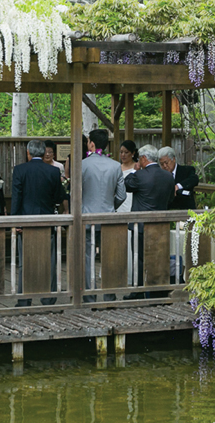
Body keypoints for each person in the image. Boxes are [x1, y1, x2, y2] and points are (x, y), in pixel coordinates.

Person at [11, 140, 65, 306]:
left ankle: (24, 298)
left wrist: (15, 221)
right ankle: (48, 297)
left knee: (24, 262)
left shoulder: (20, 170)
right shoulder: (53, 171)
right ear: (43, 153)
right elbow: (58, 197)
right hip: (46, 220)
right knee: (49, 260)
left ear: (28, 152)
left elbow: (16, 198)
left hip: (25, 221)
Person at [81, 129, 126, 302]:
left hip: (86, 218)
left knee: (88, 258)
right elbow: (121, 195)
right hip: (108, 219)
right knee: (109, 258)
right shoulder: (115, 165)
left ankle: (89, 297)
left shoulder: (82, 165)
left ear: (92, 143)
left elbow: (75, 194)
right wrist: (110, 207)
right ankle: (109, 295)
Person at [125, 144, 174, 296]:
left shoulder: (139, 175)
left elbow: (127, 184)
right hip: (161, 225)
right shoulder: (168, 176)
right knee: (158, 258)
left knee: (139, 259)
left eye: (139, 159)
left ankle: (138, 292)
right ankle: (157, 291)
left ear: (144, 159)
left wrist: (135, 170)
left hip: (140, 225)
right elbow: (171, 198)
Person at [116, 140, 139, 214]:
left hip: (132, 200)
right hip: (120, 202)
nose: (123, 155)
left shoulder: (137, 167)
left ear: (132, 153)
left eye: (126, 152)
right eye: (121, 152)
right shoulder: (117, 168)